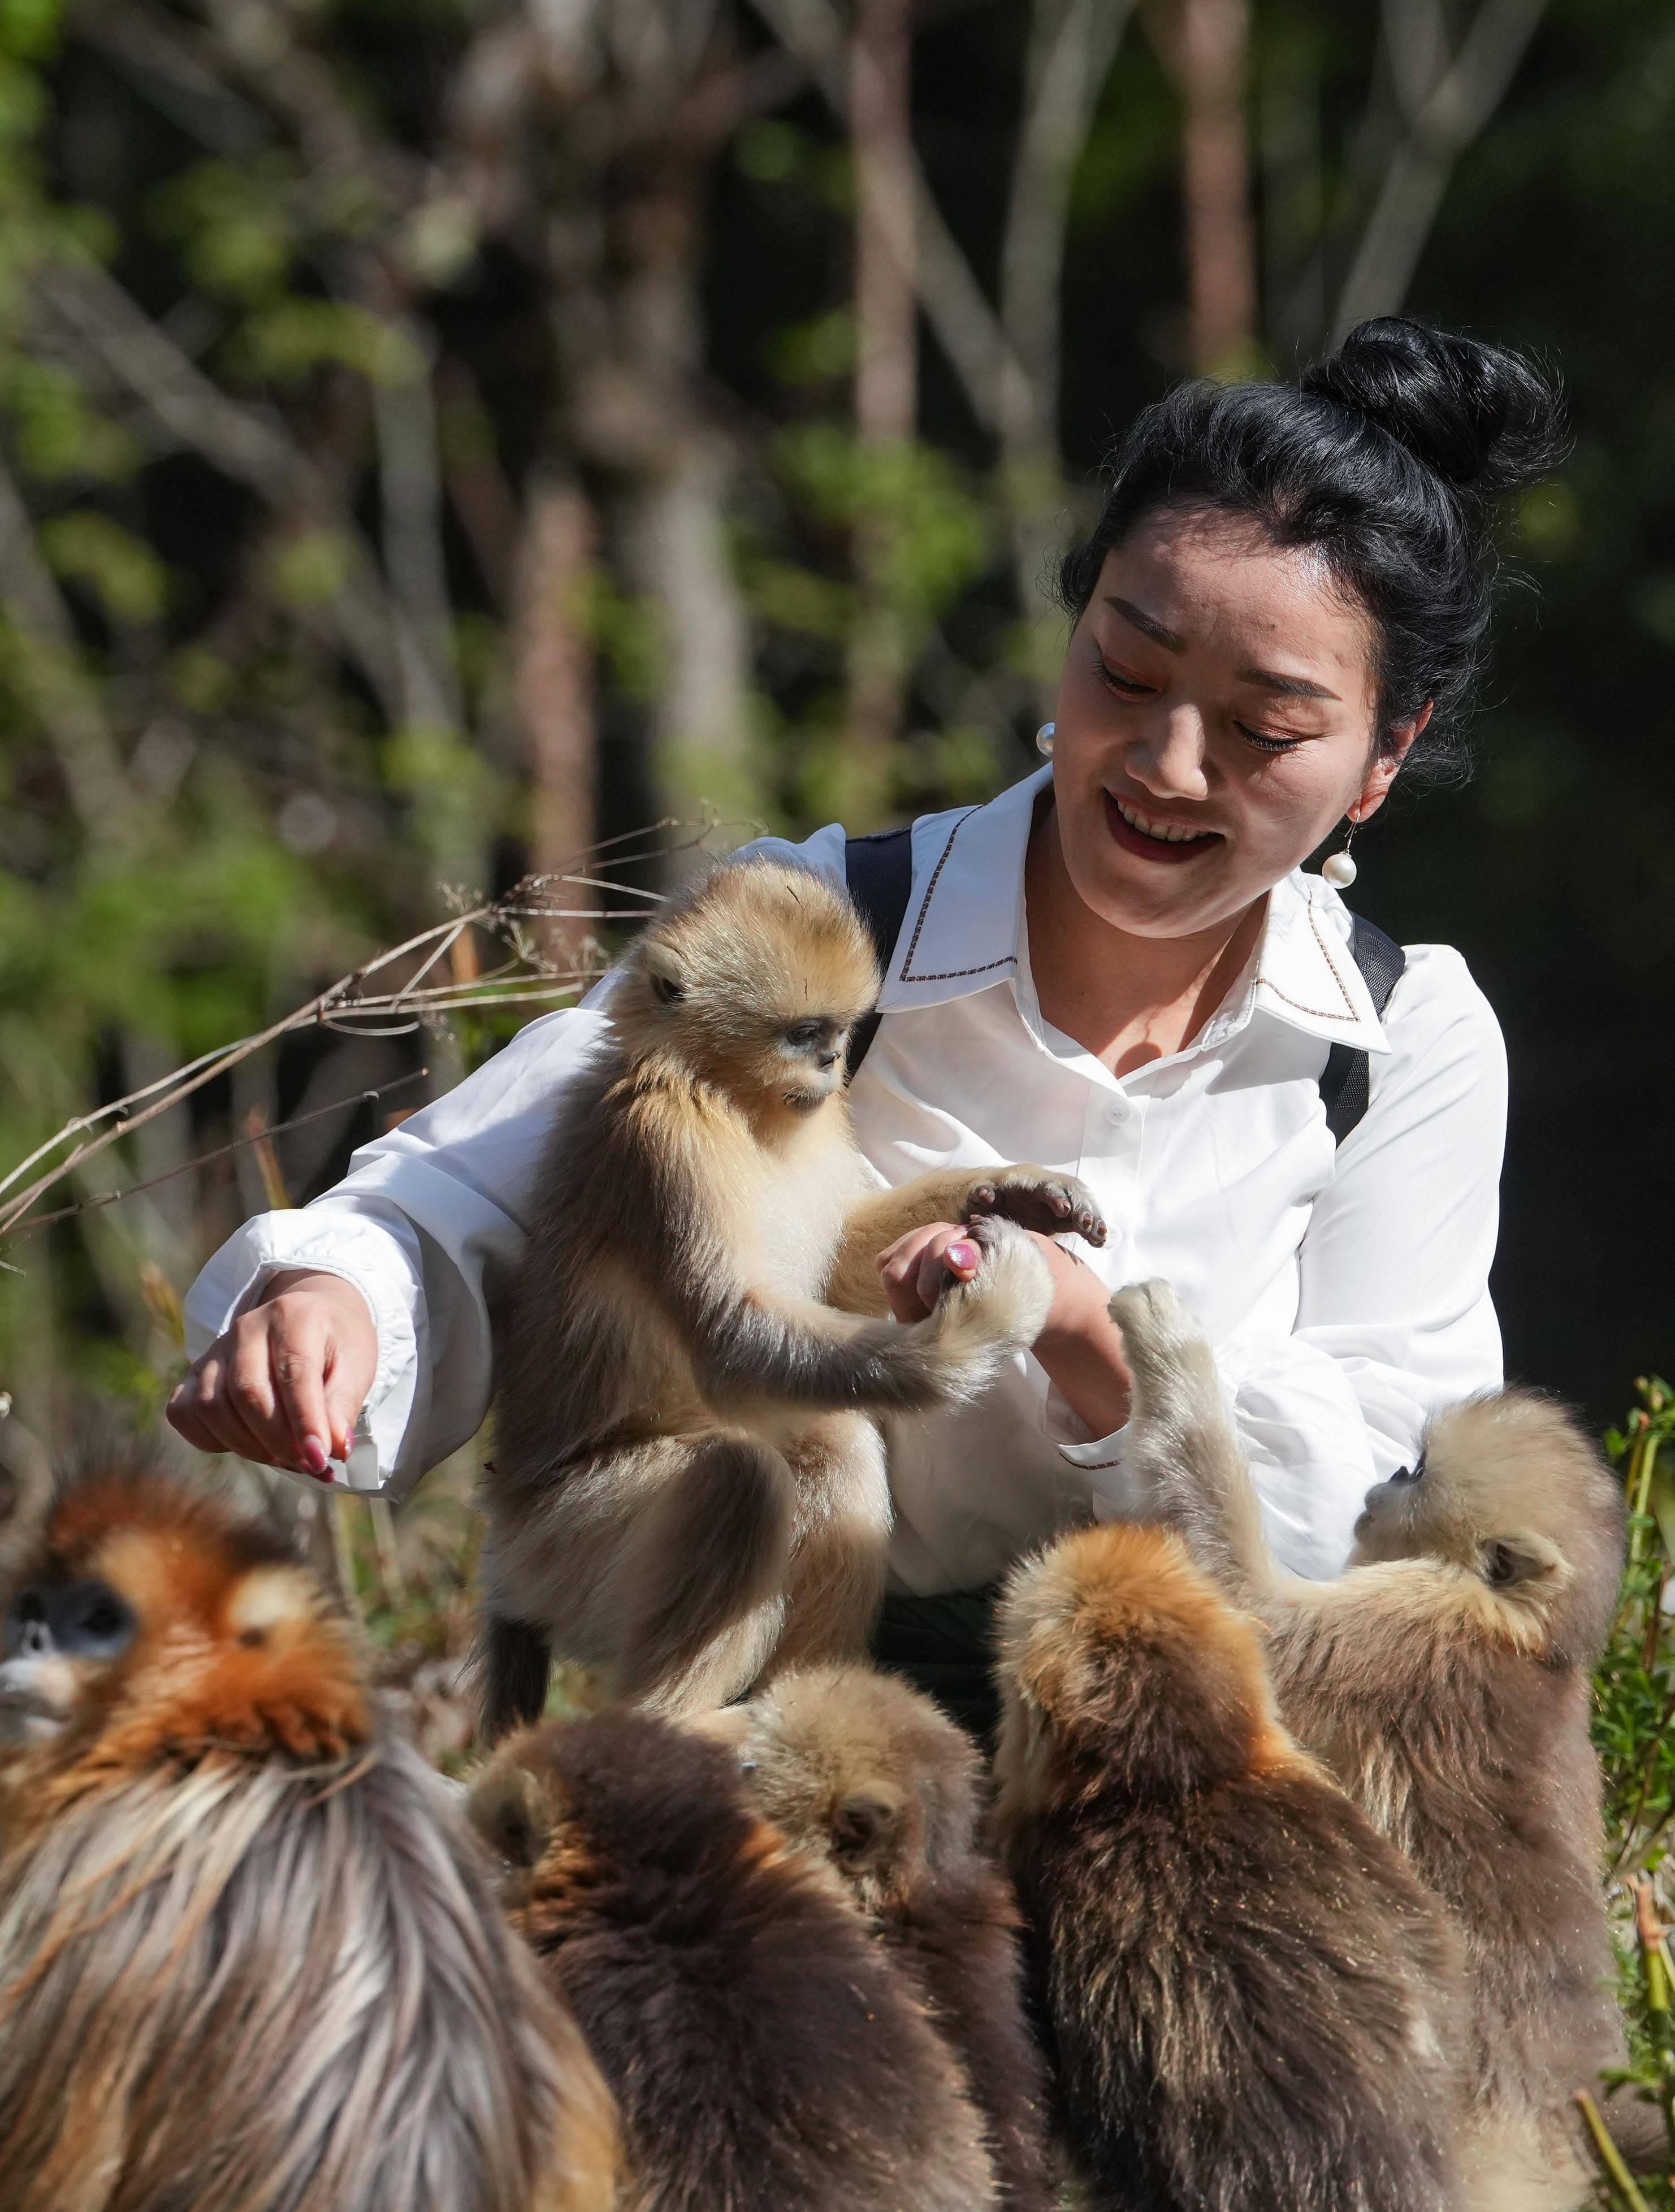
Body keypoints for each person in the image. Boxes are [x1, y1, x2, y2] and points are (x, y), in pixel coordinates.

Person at [171, 316, 1562, 1735]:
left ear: (1383, 758)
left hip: (1185, 1756)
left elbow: (1398, 1511)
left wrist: (1093, 1347)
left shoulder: (1401, 1041)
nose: (1166, 762)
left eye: (1268, 729)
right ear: (1072, 629)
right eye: (1127, 676)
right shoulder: (829, 927)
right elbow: (483, 1190)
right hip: (796, 1717)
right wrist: (334, 1296)